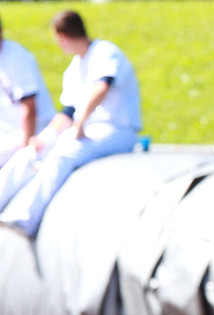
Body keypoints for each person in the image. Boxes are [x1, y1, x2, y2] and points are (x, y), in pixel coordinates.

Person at [0, 10, 141, 238]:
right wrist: (43, 137)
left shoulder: (105, 52)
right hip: (85, 128)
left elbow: (101, 87)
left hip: (116, 128)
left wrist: (80, 123)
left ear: (61, 35)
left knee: (65, 154)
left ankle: (24, 218)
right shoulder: (75, 67)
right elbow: (67, 112)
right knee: (30, 152)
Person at [0, 16, 56, 168]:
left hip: (31, 131)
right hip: (6, 134)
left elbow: (29, 107)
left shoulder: (16, 57)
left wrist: (25, 151)